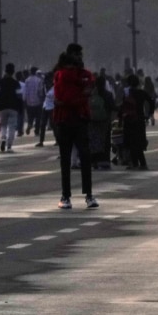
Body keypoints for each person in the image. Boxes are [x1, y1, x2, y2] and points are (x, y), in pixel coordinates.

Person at [52, 45, 98, 209]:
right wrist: (80, 97)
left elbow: (60, 98)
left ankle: (68, 196)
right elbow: (84, 93)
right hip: (77, 118)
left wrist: (66, 101)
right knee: (81, 157)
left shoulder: (61, 75)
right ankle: (86, 195)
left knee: (70, 159)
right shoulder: (79, 76)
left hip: (66, 118)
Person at [118, 74, 153, 169]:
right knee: (139, 142)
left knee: (130, 142)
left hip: (129, 120)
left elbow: (122, 107)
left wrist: (120, 118)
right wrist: (149, 114)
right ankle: (142, 163)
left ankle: (135, 163)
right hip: (140, 119)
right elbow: (151, 101)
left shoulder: (127, 93)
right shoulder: (141, 92)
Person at [0, 62, 24, 153]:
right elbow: (19, 97)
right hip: (13, 107)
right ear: (13, 72)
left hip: (2, 107)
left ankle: (3, 138)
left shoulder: (0, 82)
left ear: (5, 71)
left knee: (3, 125)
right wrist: (21, 108)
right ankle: (9, 146)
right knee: (12, 126)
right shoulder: (16, 83)